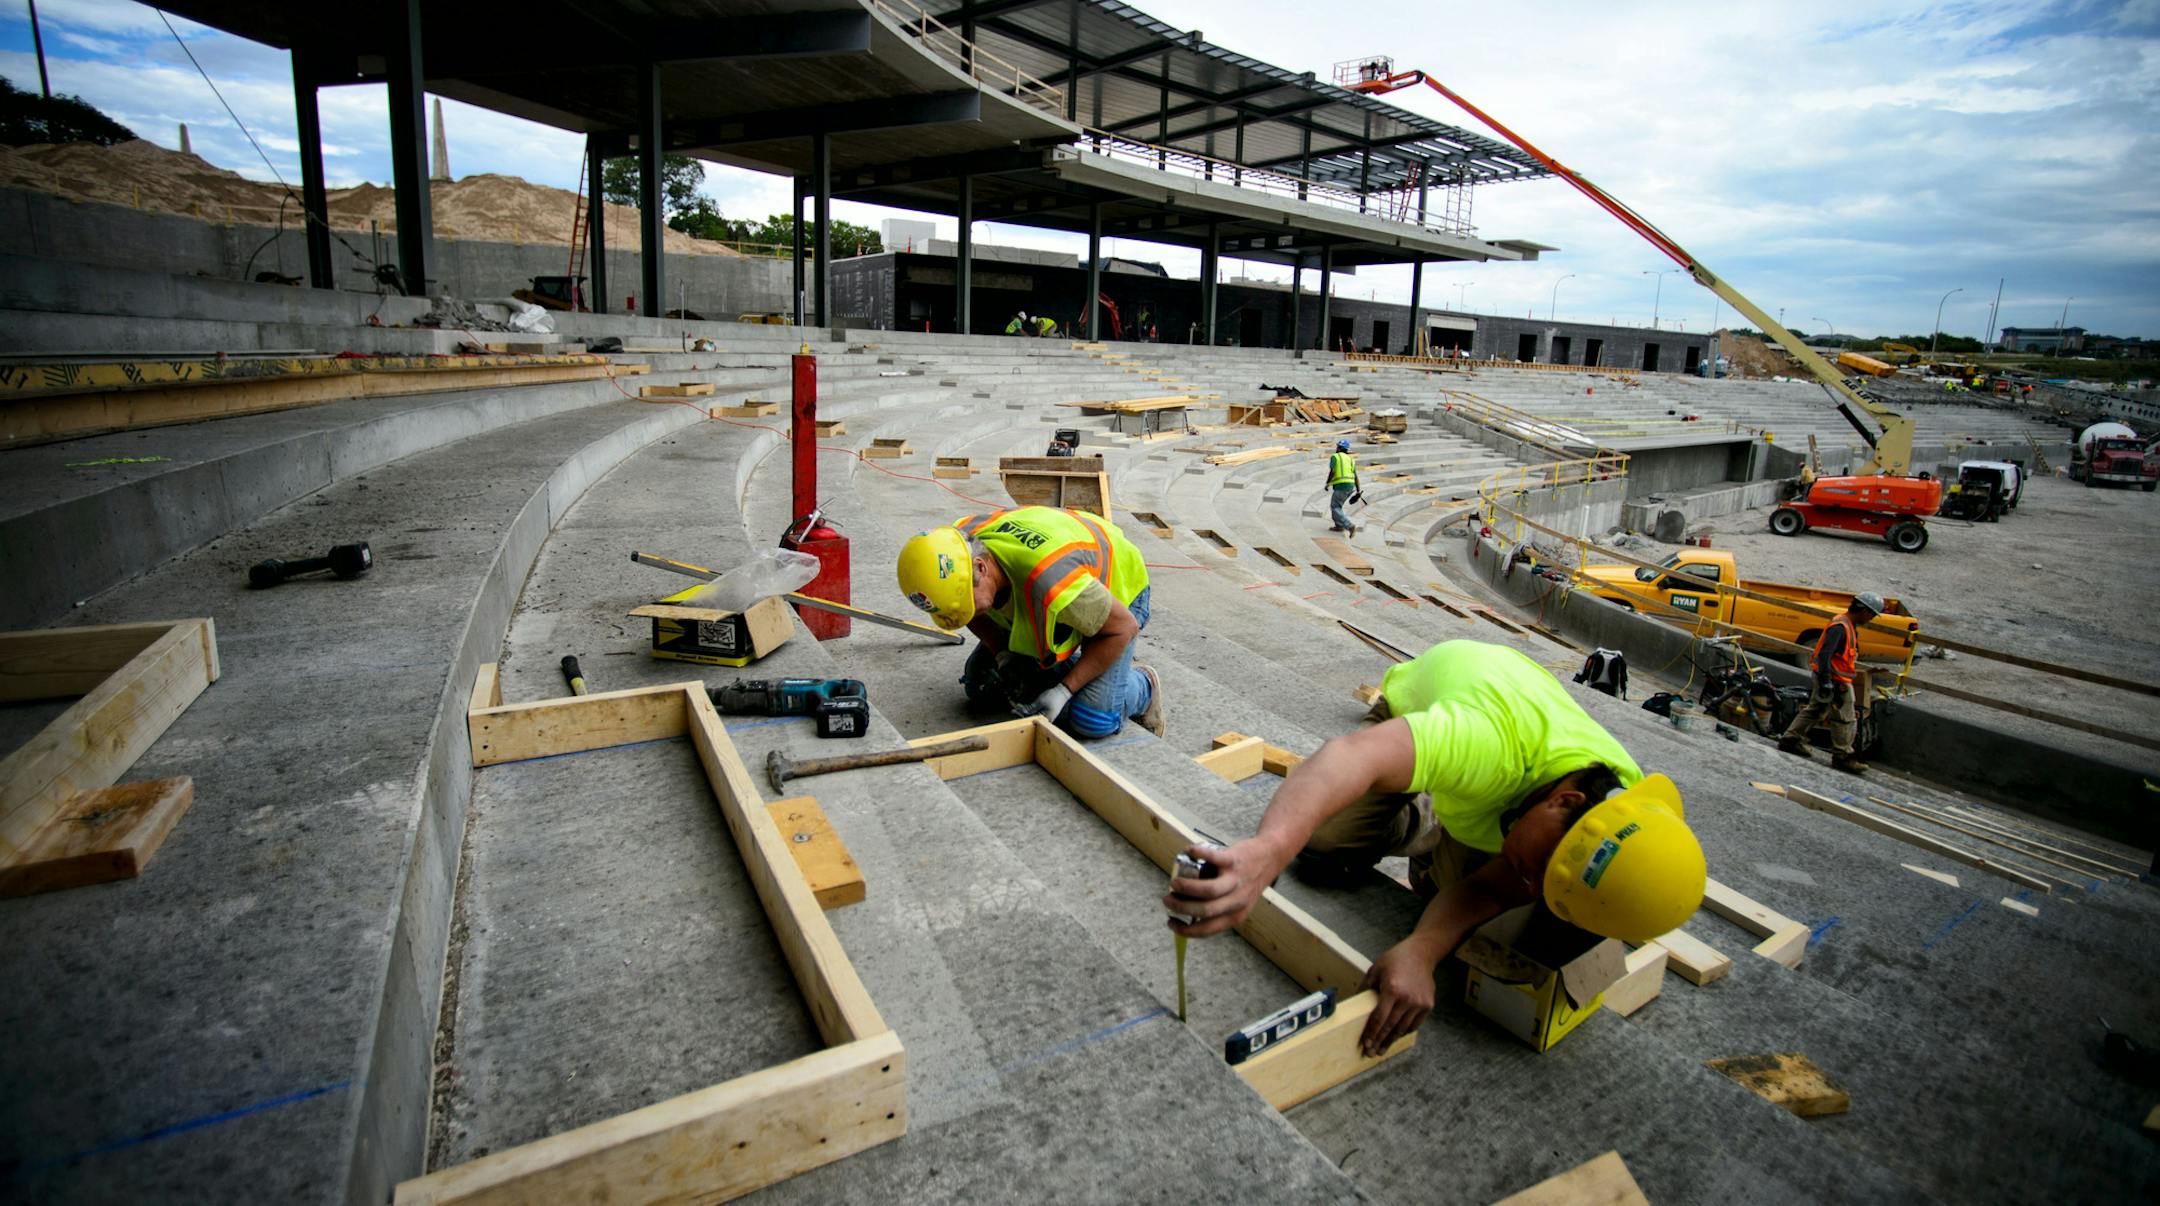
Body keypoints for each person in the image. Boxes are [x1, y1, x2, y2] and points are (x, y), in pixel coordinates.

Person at [1163, 639, 1706, 1057]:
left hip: (1506, 733)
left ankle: (1447, 829)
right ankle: (1426, 814)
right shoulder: (1487, 743)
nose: (1533, 883)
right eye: (1544, 866)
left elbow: (1490, 891)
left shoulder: (1620, 807)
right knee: (1326, 847)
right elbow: (1350, 757)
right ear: (1563, 801)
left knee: (1509, 915)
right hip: (1428, 702)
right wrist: (1269, 850)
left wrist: (1421, 951)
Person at [897, 507, 1163, 739]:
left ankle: (1143, 685)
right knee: (983, 685)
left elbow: (1122, 628)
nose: (968, 614)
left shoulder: (1052, 580)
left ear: (981, 568)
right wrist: (1002, 655)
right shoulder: (955, 547)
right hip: (1065, 573)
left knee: (1091, 719)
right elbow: (967, 614)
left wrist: (1063, 690)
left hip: (1118, 594)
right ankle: (1056, 670)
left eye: (967, 604)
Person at [1778, 592, 1881, 773]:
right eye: (1871, 614)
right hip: (1835, 680)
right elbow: (1825, 654)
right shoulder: (1841, 627)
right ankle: (1843, 756)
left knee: (1815, 710)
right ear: (1864, 610)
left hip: (1830, 677)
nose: (1871, 619)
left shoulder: (1846, 624)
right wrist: (1827, 682)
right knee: (1845, 718)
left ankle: (1790, 740)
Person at [1326, 438, 1361, 534]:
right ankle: (1339, 526)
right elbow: (1356, 476)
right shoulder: (1351, 460)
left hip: (1342, 485)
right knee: (1338, 506)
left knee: (1335, 506)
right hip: (1350, 486)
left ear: (1339, 448)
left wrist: (1327, 483)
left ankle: (1349, 526)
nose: (1336, 448)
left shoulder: (1335, 457)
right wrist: (1358, 491)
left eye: (1337, 447)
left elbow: (1332, 471)